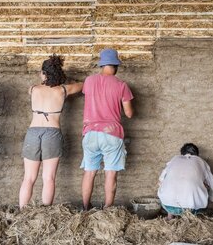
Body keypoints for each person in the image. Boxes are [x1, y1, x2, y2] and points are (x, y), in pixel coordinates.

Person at [19, 54, 83, 208]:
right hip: (52, 133)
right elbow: (83, 85)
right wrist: (67, 81)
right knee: (49, 178)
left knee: (28, 177)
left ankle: (22, 213)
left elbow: (39, 86)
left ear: (43, 73)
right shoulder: (63, 90)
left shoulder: (33, 89)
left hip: (33, 133)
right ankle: (45, 213)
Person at [81, 48, 134, 210]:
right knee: (110, 173)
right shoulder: (121, 85)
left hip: (90, 133)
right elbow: (129, 114)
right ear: (116, 66)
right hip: (111, 133)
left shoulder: (89, 81)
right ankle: (108, 209)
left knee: (89, 172)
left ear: (101, 65)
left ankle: (85, 208)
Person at [158, 143, 213, 220]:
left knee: (167, 184)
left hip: (168, 205)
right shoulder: (201, 162)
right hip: (192, 208)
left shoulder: (174, 160)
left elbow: (160, 180)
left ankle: (170, 216)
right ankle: (192, 217)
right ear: (197, 154)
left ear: (182, 153)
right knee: (205, 185)